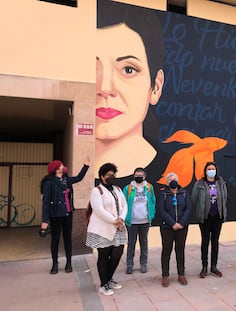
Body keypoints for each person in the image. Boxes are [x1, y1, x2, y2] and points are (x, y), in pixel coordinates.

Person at [96, 0, 165, 178]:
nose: (105, 88)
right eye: (91, 69)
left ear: (156, 87)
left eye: (128, 70)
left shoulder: (184, 177)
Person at [40, 157, 90, 274]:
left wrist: (85, 166)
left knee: (68, 239)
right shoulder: (49, 183)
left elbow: (78, 178)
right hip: (55, 215)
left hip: (68, 213)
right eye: (61, 166)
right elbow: (46, 203)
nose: (64, 167)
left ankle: (68, 263)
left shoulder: (66, 180)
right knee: (55, 240)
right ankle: (55, 264)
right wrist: (44, 220)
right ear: (57, 169)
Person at [86, 163, 127, 296]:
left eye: (113, 174)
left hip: (118, 228)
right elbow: (99, 210)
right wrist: (114, 220)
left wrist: (121, 218)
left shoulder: (117, 189)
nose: (112, 177)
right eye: (109, 175)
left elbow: (124, 205)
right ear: (102, 176)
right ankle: (104, 284)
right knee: (104, 256)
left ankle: (109, 279)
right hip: (102, 229)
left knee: (117, 254)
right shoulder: (96, 191)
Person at [191, 162, 228, 278]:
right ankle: (204, 267)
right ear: (205, 171)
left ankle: (214, 267)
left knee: (215, 242)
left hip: (217, 217)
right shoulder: (200, 184)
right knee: (205, 242)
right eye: (209, 169)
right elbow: (194, 199)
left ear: (216, 170)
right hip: (205, 218)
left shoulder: (221, 183)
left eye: (213, 169)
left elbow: (225, 198)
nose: (211, 170)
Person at [157, 172, 191, 287]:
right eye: (170, 179)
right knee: (166, 250)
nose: (173, 180)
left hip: (182, 227)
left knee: (180, 250)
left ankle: (181, 274)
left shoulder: (184, 193)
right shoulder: (163, 194)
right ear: (167, 182)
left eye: (175, 178)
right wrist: (172, 223)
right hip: (167, 227)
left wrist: (181, 223)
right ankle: (165, 276)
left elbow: (188, 208)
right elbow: (161, 210)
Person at [123, 167, 156, 274]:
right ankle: (129, 265)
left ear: (144, 176)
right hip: (132, 221)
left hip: (145, 221)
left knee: (144, 243)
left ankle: (143, 264)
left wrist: (152, 214)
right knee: (131, 243)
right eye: (136, 176)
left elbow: (153, 201)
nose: (138, 177)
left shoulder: (149, 187)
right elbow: (123, 204)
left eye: (140, 176)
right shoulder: (128, 188)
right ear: (134, 176)